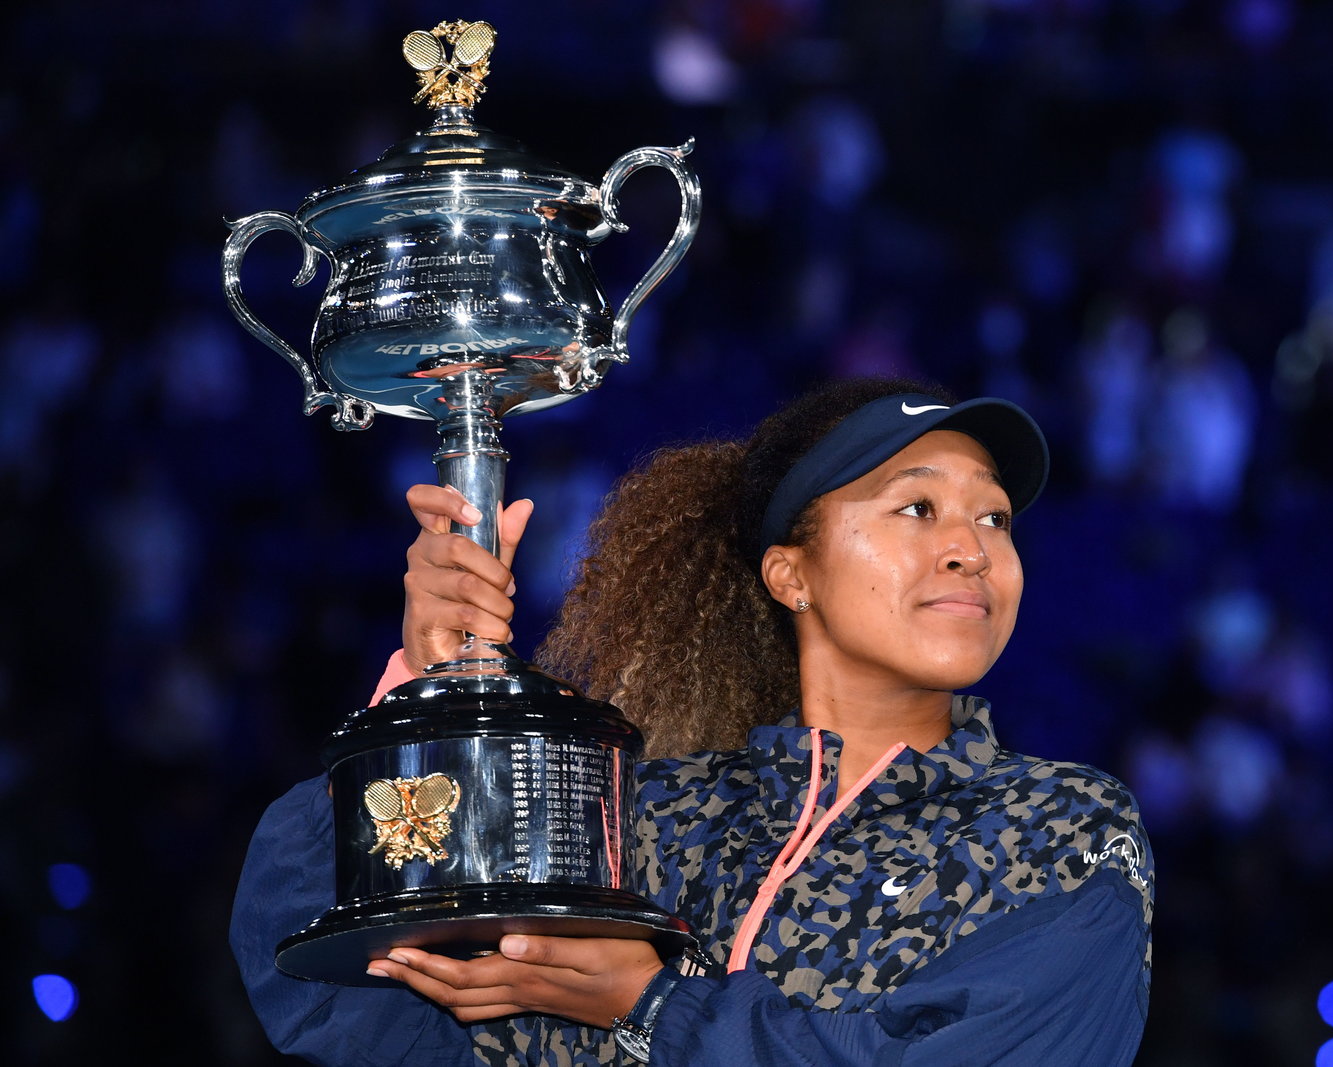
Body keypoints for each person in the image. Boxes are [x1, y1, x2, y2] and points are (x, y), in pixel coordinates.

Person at [231, 376, 1153, 1066]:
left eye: (994, 520)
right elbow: (332, 986)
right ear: (791, 574)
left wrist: (653, 1004)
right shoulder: (639, 824)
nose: (971, 549)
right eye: (918, 507)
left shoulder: (1059, 829)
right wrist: (429, 699)